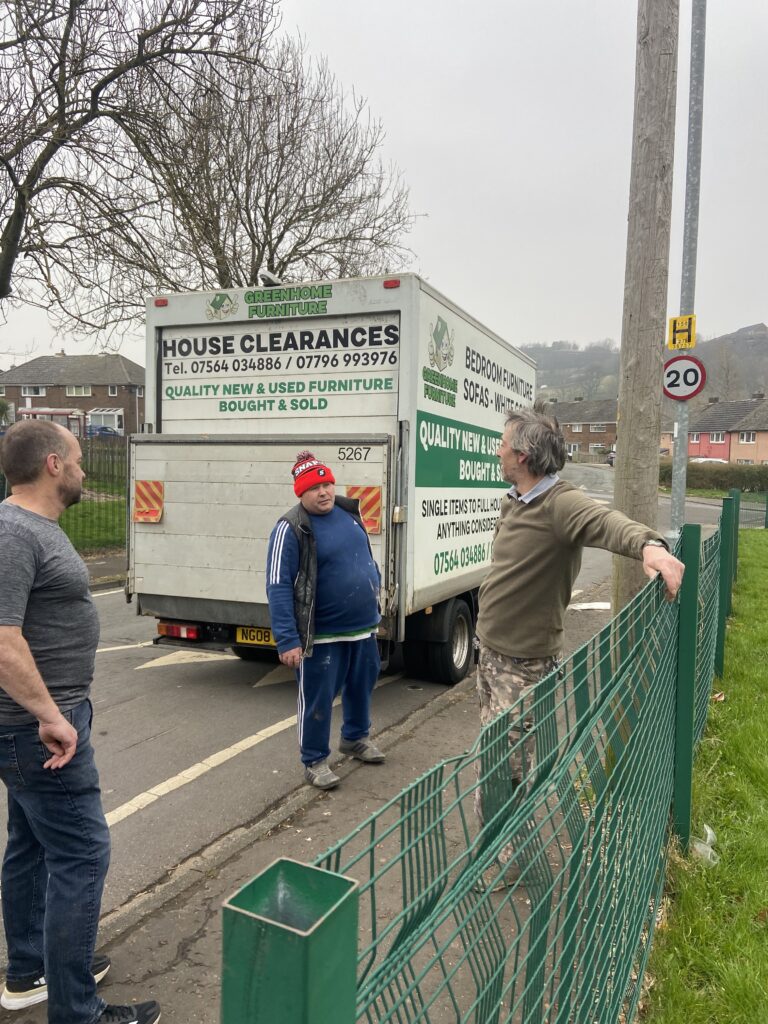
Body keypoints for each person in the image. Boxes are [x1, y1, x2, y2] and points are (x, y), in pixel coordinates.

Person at [0, 421, 161, 1024]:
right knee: (83, 853)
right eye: (76, 458)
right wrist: (50, 716)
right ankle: (77, 1011)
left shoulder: (32, 527)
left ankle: (31, 970)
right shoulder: (14, 532)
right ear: (51, 464)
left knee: (31, 844)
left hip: (41, 721)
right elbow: (2, 638)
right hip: (39, 729)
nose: (84, 469)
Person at [474, 406, 685, 848]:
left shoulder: (560, 503)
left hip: (524, 665)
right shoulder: (516, 500)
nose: (498, 452)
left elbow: (606, 522)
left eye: (503, 445)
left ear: (524, 455)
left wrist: (650, 546)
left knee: (507, 766)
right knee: (490, 758)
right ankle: (491, 845)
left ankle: (508, 857)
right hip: (491, 654)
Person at [266, 451, 385, 789]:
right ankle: (315, 759)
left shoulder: (349, 515)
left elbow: (364, 561)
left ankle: (355, 738)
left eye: (327, 483)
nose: (324, 492)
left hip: (363, 628)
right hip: (323, 636)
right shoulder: (291, 528)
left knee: (363, 685)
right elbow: (277, 586)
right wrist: (287, 639)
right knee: (318, 698)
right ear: (301, 493)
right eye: (315, 487)